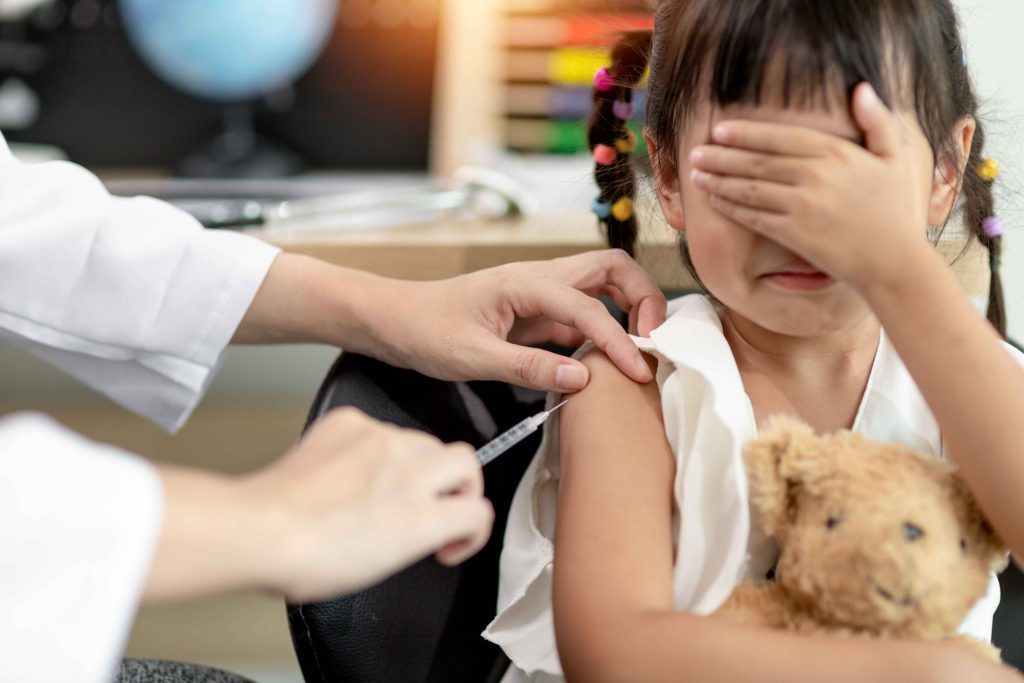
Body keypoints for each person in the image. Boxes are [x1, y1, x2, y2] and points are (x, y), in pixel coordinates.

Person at [0, 128, 668, 683]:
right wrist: (259, 519)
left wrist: (388, 307)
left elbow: (21, 220)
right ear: (665, 172)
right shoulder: (619, 388)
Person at [484, 1, 1024, 681]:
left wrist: (899, 268)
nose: (801, 223)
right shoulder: (635, 384)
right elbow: (614, 651)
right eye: (754, 170)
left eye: (847, 170)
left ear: (944, 173)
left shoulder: (970, 378)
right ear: (673, 178)